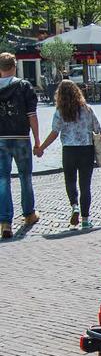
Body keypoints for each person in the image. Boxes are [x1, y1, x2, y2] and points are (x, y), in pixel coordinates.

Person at [36, 79, 101, 230]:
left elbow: (54, 133)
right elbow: (99, 129)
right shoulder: (87, 109)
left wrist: (42, 148)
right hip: (86, 150)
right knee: (85, 186)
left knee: (70, 181)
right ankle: (85, 220)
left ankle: (74, 206)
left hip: (69, 151)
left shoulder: (60, 112)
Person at [0, 52, 40, 238]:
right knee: (25, 176)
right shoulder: (24, 86)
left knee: (2, 179)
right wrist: (37, 140)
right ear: (14, 66)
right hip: (22, 138)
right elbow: (32, 116)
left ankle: (5, 222)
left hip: (0, 139)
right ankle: (29, 214)